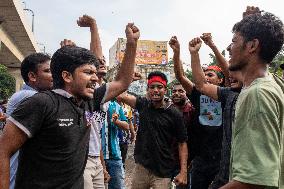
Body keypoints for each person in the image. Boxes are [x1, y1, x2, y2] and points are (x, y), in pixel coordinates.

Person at [0, 23, 140, 189]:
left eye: (95, 73)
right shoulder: (40, 103)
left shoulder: (89, 101)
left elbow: (122, 82)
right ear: (67, 76)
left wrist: (132, 44)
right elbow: (3, 151)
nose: (95, 78)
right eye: (88, 72)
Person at [220, 9, 284, 189]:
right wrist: (251, 22)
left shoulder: (257, 94)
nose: (229, 48)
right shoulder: (271, 82)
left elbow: (252, 182)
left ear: (252, 46)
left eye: (234, 41)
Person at [169, 36, 225, 189]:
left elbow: (230, 71)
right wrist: (178, 52)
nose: (205, 77)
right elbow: (181, 76)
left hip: (221, 159)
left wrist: (212, 45)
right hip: (201, 159)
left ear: (221, 81)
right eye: (204, 74)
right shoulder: (198, 95)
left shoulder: (227, 96)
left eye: (210, 75)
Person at [117, 71, 188, 189]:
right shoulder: (142, 104)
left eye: (159, 87)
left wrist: (183, 172)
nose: (156, 90)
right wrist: (129, 80)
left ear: (165, 90)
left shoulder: (174, 113)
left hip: (163, 171)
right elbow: (120, 95)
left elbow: (182, 142)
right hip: (142, 167)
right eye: (152, 87)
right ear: (148, 89)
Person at [4, 53, 53, 189]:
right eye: (48, 71)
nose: (53, 75)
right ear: (32, 76)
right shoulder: (29, 96)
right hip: (19, 171)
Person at [77, 14, 110, 189]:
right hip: (81, 159)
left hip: (96, 157)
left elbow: (96, 136)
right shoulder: (87, 92)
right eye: (97, 63)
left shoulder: (102, 94)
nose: (101, 63)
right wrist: (93, 27)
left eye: (104, 61)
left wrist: (102, 166)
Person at [171, 82, 195, 189]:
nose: (177, 94)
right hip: (166, 160)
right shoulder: (166, 110)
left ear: (186, 93)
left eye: (181, 91)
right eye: (174, 91)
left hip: (186, 162)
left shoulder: (192, 111)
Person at [101, 99, 129, 189]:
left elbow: (126, 126)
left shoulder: (116, 106)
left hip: (114, 156)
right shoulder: (93, 104)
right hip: (95, 157)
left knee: (117, 186)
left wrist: (116, 121)